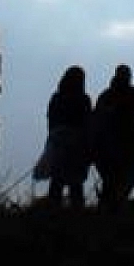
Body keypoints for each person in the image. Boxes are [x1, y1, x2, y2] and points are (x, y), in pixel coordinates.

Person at [90, 64, 134, 212]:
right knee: (119, 181)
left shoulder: (108, 95)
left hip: (123, 144)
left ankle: (111, 209)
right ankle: (113, 208)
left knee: (118, 181)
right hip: (117, 144)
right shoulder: (117, 95)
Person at [37, 65, 91, 208]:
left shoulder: (57, 97)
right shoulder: (84, 99)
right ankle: (76, 215)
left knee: (58, 180)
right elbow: (87, 123)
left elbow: (51, 120)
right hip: (75, 143)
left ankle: (54, 214)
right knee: (75, 182)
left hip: (59, 141)